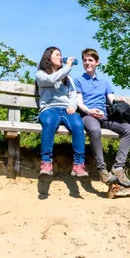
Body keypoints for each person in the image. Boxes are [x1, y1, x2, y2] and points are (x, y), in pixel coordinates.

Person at [74, 48, 130, 187]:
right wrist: (89, 111)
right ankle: (102, 170)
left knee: (128, 129)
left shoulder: (105, 83)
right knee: (95, 131)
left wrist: (119, 101)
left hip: (105, 116)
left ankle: (118, 168)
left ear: (97, 62)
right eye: (85, 60)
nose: (87, 63)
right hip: (88, 115)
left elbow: (111, 100)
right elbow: (79, 103)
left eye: (90, 60)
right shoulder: (78, 81)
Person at [35, 46, 87, 180]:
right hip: (49, 109)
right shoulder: (41, 74)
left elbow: (73, 95)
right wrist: (67, 67)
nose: (60, 57)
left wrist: (72, 105)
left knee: (78, 125)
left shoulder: (67, 78)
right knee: (49, 122)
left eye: (60, 55)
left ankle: (79, 164)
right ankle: (46, 163)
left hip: (66, 109)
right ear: (48, 57)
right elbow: (51, 80)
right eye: (57, 55)